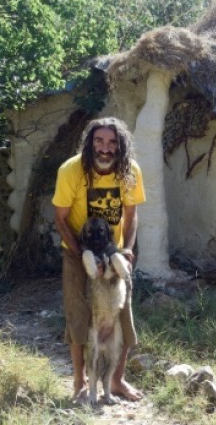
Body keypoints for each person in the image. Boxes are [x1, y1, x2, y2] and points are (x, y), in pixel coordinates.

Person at [52, 116, 146, 402]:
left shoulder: (130, 171)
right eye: (99, 141)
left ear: (120, 146)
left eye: (111, 142)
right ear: (90, 143)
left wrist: (127, 250)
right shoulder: (71, 171)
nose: (105, 148)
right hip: (76, 251)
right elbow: (61, 218)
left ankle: (116, 380)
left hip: (114, 254)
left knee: (121, 315)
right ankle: (80, 381)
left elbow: (131, 216)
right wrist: (82, 256)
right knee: (79, 316)